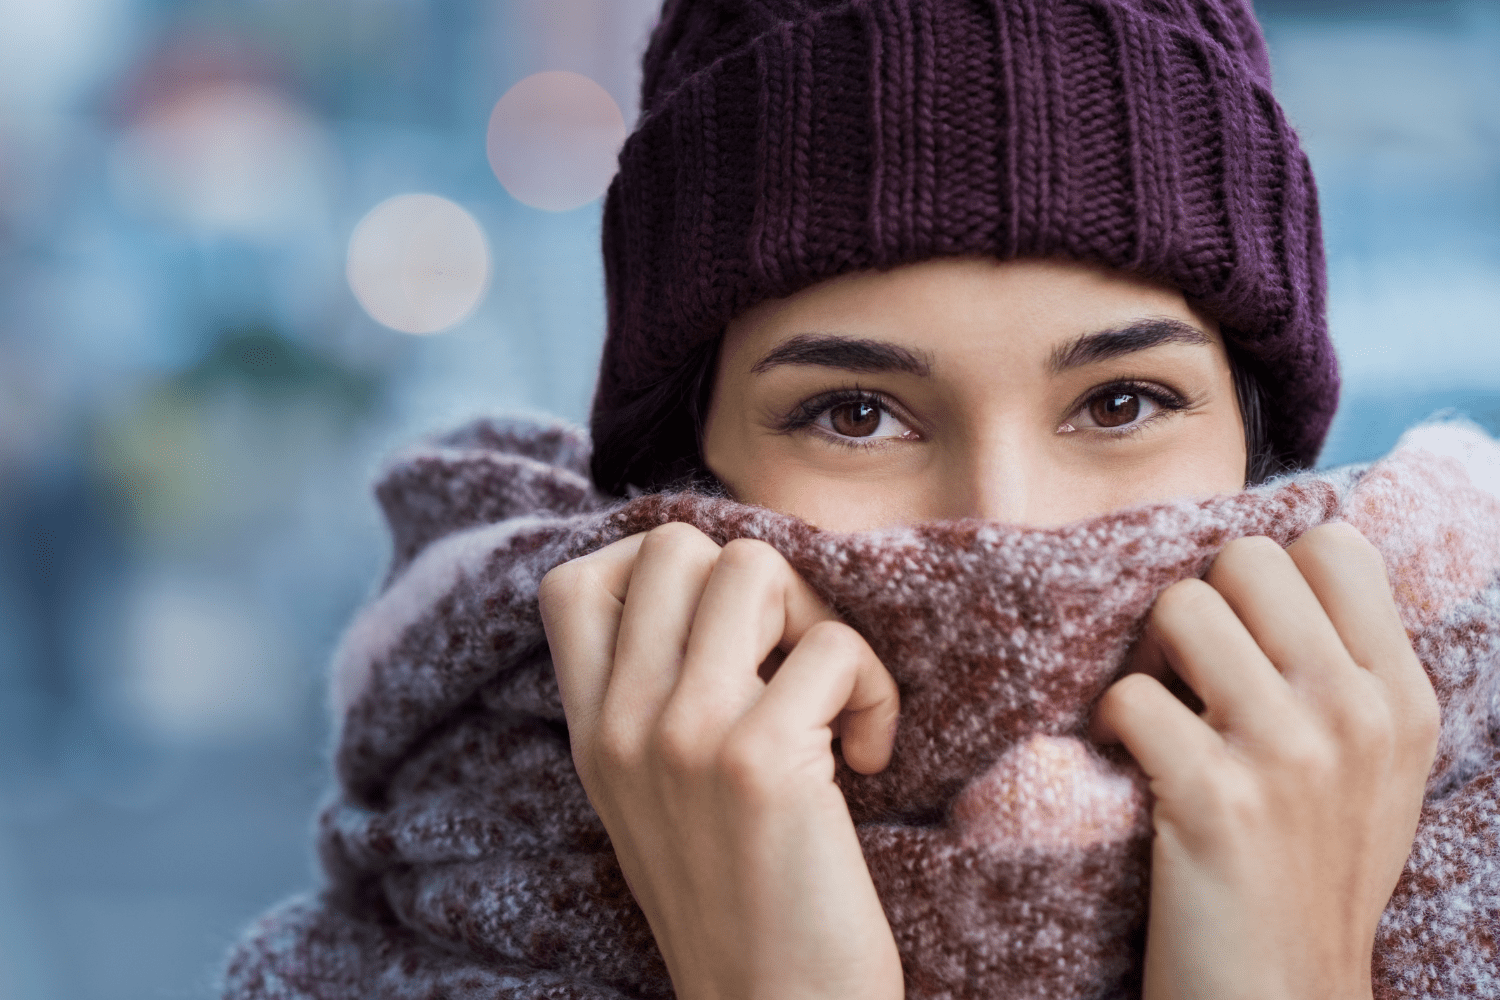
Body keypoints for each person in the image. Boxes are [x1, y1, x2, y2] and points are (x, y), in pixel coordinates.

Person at [534, 1, 1440, 999]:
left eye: (1119, 401)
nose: (1005, 531)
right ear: (686, 474)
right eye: (857, 415)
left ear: (1257, 445)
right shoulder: (442, 867)